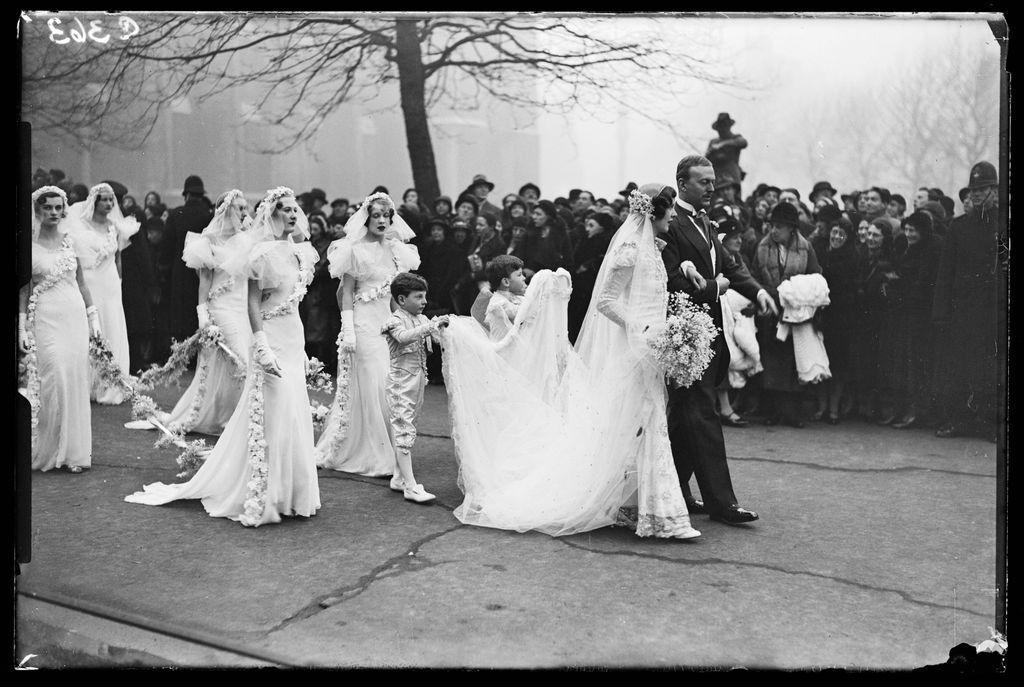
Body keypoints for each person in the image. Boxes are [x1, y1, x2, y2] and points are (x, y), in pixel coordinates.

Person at [441, 186, 702, 539]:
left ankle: (636, 504)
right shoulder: (628, 251)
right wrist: (640, 328)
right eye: (669, 210)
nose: (674, 216)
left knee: (642, 422)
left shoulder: (657, 248)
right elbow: (606, 302)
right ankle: (660, 514)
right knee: (644, 420)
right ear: (653, 214)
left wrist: (670, 314)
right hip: (634, 348)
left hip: (651, 348)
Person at [125, 186, 321, 526]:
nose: (292, 214)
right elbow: (252, 303)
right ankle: (264, 490)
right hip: (268, 336)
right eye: (284, 209)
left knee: (293, 410)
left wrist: (303, 350)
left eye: (295, 209)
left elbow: (294, 305)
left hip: (293, 337)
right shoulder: (260, 254)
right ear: (271, 215)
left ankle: (291, 492)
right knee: (272, 409)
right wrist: (260, 345)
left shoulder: (302, 252)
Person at [662, 155, 776, 525]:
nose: (712, 187)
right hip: (686, 338)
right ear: (682, 183)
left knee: (685, 417)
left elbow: (730, 265)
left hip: (707, 336)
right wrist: (716, 289)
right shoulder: (671, 225)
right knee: (703, 416)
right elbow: (672, 283)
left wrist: (757, 292)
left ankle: (676, 490)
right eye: (704, 182)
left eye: (712, 181)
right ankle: (722, 503)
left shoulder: (705, 221)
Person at [314, 192, 420, 477]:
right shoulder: (353, 249)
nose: (383, 221)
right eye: (377, 216)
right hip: (362, 321)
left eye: (387, 216)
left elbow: (397, 295)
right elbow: (345, 292)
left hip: (386, 321)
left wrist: (405, 323)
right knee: (373, 378)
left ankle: (390, 447)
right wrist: (348, 328)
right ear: (367, 218)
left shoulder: (399, 250)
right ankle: (375, 452)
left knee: (389, 381)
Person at [142, 189, 255, 435]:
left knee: (233, 363)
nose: (245, 213)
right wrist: (203, 314)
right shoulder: (208, 241)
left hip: (241, 307)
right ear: (225, 210)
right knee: (239, 361)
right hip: (221, 307)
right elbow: (204, 280)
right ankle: (236, 417)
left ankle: (230, 414)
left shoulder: (248, 240)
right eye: (240, 208)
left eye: (246, 207)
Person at [20, 187, 100, 472]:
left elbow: (82, 283)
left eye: (57, 207)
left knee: (75, 379)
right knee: (53, 377)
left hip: (74, 316)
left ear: (64, 210)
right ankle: (49, 447)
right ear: (37, 210)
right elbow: (23, 289)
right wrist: (21, 327)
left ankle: (72, 452)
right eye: (47, 208)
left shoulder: (71, 241)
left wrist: (94, 320)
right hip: (45, 318)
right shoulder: (27, 245)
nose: (53, 212)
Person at [931, 162, 1003, 440]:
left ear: (995, 191)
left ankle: (989, 423)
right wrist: (940, 313)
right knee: (957, 368)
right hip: (962, 312)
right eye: (973, 190)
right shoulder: (958, 227)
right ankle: (956, 420)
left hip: (992, 312)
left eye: (982, 189)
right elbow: (945, 274)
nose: (975, 195)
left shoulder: (1002, 225)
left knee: (989, 369)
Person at [750, 202, 825, 427]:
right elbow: (753, 277)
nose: (774, 231)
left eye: (780, 227)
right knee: (772, 360)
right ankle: (773, 411)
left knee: (792, 362)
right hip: (770, 310)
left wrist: (797, 293)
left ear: (792, 228)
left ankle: (792, 413)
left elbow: (816, 277)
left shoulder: (805, 248)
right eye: (772, 226)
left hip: (796, 313)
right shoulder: (762, 247)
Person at [65, 182, 140, 405]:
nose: (108, 204)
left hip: (110, 283)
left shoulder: (115, 227)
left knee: (112, 325)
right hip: (90, 281)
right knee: (90, 327)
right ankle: (88, 383)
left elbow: (118, 259)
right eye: (104, 199)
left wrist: (119, 281)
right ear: (94, 201)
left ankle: (111, 382)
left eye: (111, 200)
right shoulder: (79, 226)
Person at [382, 273, 450, 503]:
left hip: (418, 380)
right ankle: (410, 486)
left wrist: (445, 328)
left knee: (410, 424)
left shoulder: (422, 320)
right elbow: (402, 337)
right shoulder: (393, 320)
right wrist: (431, 325)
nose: (424, 301)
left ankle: (399, 478)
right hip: (401, 381)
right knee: (403, 428)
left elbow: (438, 339)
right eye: (418, 297)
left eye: (424, 296)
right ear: (401, 300)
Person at [885, 211, 943, 429]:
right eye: (906, 229)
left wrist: (899, 284)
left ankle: (916, 410)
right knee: (902, 361)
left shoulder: (932, 248)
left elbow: (923, 283)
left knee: (915, 362)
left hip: (921, 315)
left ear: (923, 231)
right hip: (905, 313)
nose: (908, 234)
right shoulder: (909, 249)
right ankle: (904, 409)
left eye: (913, 230)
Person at [817, 216, 859, 424]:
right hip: (824, 315)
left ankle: (833, 407)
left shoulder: (852, 258)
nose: (836, 237)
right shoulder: (822, 255)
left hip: (843, 317)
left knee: (839, 366)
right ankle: (823, 405)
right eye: (834, 232)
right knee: (821, 361)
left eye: (841, 234)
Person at [167, 175, 214, 342]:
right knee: (197, 309)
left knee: (180, 313)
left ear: (186, 194)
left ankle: (181, 350)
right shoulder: (207, 216)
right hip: (201, 272)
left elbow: (167, 245)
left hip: (179, 270)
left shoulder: (175, 215)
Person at [567, 211, 615, 344]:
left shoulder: (606, 241)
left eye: (592, 225)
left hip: (591, 286)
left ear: (602, 227)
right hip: (580, 286)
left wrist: (589, 265)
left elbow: (603, 261)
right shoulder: (585, 239)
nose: (587, 228)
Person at [483, 255, 526, 342]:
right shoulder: (498, 303)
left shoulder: (515, 298)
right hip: (504, 351)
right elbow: (522, 312)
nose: (524, 278)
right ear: (506, 282)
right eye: (519, 275)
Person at [705, 113, 747, 197]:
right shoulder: (713, 142)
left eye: (724, 128)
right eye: (720, 129)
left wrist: (722, 144)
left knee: (734, 199)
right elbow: (706, 159)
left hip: (732, 175)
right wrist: (711, 151)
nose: (721, 131)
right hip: (717, 175)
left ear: (728, 127)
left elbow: (743, 142)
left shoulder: (735, 138)